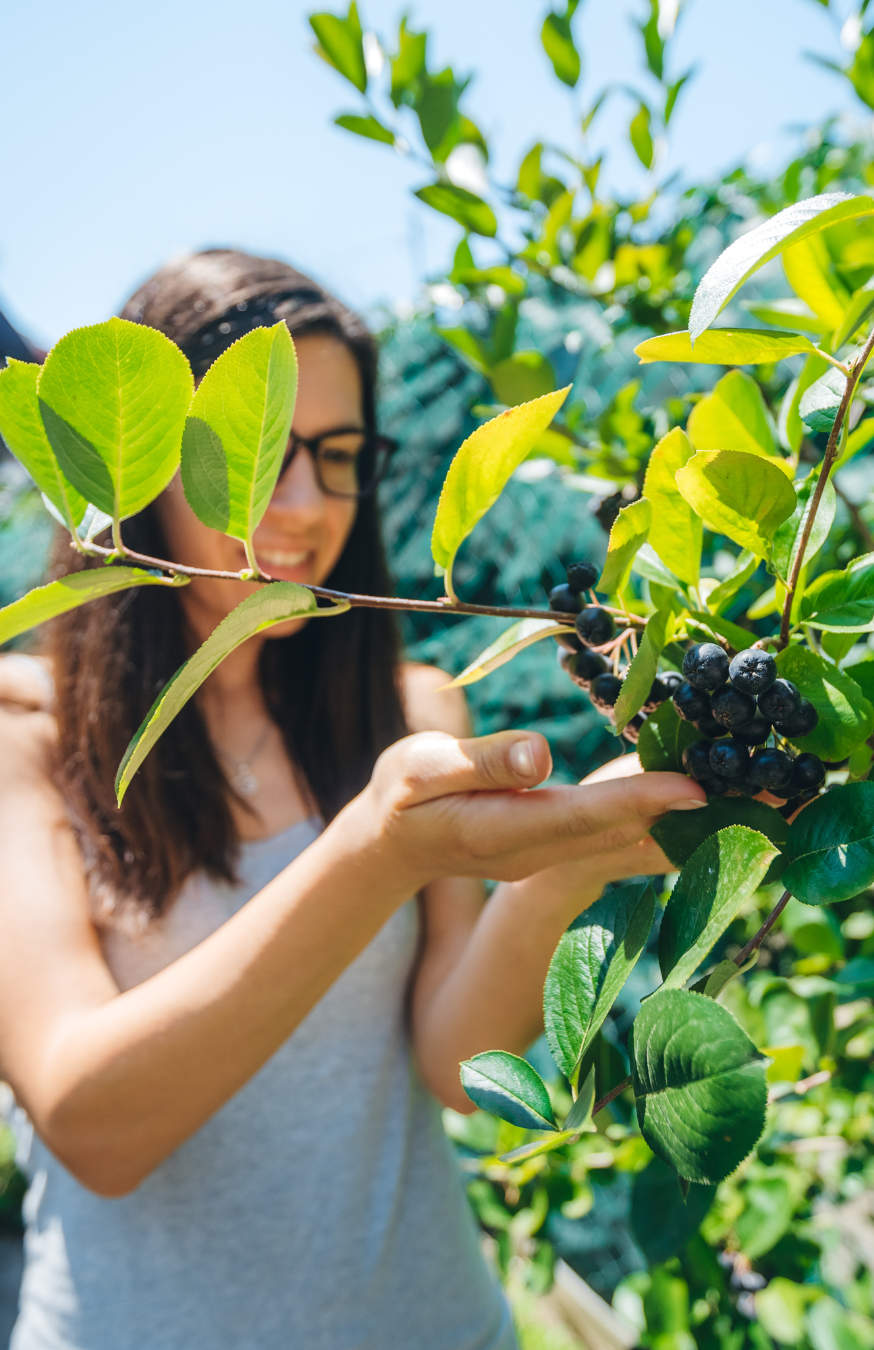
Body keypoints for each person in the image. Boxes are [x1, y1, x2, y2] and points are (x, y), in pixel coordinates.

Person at [0, 250, 706, 1350]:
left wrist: (563, 864)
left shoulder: (410, 709)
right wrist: (376, 850)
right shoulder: (30, 742)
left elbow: (455, 1067)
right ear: (137, 470)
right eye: (253, 457)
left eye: (338, 458)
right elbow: (92, 1123)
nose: (304, 507)